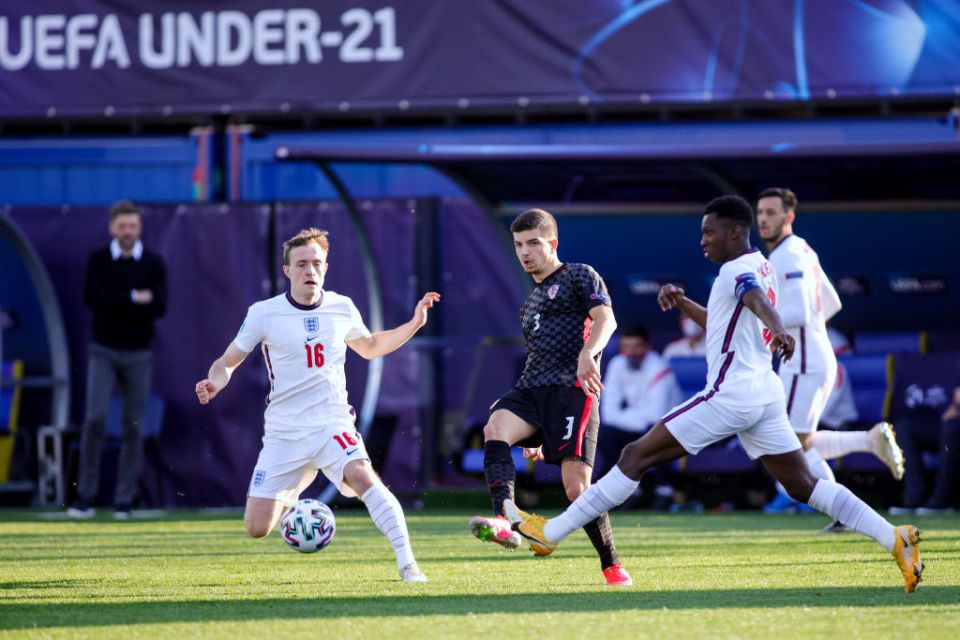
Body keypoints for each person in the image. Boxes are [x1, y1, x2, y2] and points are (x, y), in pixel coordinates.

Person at [503, 195, 924, 594]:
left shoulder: (736, 271)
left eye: (710, 233)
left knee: (635, 456)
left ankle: (550, 533)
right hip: (763, 393)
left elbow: (752, 299)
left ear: (735, 232)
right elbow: (729, 320)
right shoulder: (762, 264)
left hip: (730, 394)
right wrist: (685, 302)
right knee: (802, 484)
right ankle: (894, 537)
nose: (703, 241)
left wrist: (777, 326)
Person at [194, 228, 438, 583]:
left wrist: (414, 323)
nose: (310, 270)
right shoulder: (264, 313)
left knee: (362, 476)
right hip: (284, 433)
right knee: (257, 527)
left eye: (317, 263)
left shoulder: (342, 307)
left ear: (326, 267)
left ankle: (408, 564)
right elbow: (227, 361)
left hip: (331, 424)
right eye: (302, 264)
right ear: (287, 270)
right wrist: (215, 380)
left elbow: (370, 347)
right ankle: (297, 503)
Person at [467, 208, 632, 587]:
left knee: (577, 489)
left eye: (534, 244)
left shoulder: (579, 274)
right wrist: (536, 430)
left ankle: (612, 566)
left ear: (552, 244)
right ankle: (505, 518)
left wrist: (589, 353)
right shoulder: (530, 303)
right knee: (495, 426)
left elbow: (607, 320)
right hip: (532, 388)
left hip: (573, 390)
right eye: (519, 245)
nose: (525, 252)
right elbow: (537, 358)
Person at [755, 188, 904, 524]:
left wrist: (761, 318)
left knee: (788, 442)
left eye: (772, 212)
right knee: (798, 440)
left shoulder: (787, 255)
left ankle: (838, 505)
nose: (763, 218)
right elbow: (833, 301)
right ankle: (866, 444)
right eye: (760, 212)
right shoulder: (803, 249)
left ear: (788, 217)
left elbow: (800, 310)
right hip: (813, 355)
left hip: (803, 361)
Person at [67, 200, 167, 520]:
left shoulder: (153, 263)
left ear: (140, 228)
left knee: (133, 426)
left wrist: (117, 299)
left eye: (132, 226)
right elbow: (92, 298)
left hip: (139, 353)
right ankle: (85, 496)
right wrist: (134, 297)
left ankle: (124, 500)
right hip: (103, 351)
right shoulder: (98, 260)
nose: (127, 231)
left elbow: (159, 305)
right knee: (94, 419)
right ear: (112, 228)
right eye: (121, 226)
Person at [598, 324, 681, 509]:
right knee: (606, 436)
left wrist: (627, 415)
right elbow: (608, 414)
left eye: (636, 346)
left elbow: (657, 415)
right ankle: (631, 490)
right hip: (640, 427)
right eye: (627, 347)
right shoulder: (617, 364)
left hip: (667, 428)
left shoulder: (659, 366)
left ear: (647, 347)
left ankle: (664, 492)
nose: (631, 352)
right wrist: (637, 418)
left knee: (658, 432)